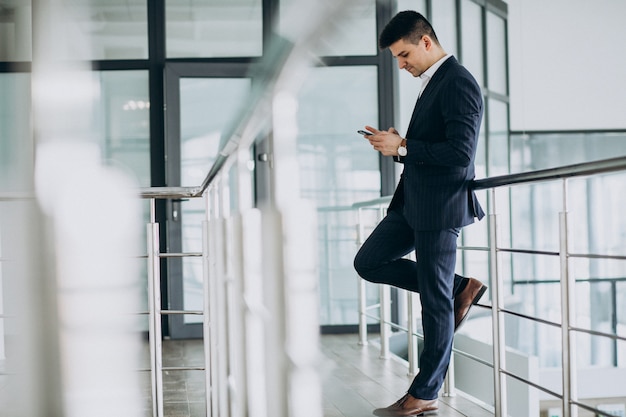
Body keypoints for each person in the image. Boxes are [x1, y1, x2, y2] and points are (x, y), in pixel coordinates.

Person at [353, 10, 487, 416]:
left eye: (404, 54)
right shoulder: (435, 82)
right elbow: (434, 145)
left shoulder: (458, 82)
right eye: (396, 57)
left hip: (439, 207)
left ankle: (425, 393)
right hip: (413, 202)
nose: (401, 64)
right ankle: (457, 287)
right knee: (369, 262)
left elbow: (461, 153)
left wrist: (404, 148)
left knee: (433, 303)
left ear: (426, 41)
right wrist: (400, 144)